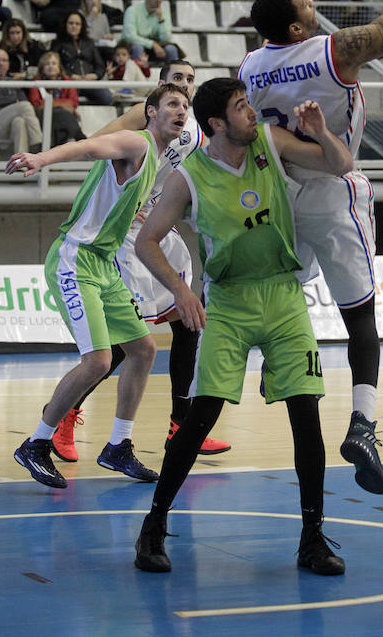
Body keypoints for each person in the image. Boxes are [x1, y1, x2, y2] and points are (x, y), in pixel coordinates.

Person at [133, 78, 352, 575]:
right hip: (229, 303)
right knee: (200, 416)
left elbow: (340, 165)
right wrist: (181, 290)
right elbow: (147, 240)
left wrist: (320, 132)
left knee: (306, 414)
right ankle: (153, 526)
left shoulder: (270, 144)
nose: (252, 112)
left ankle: (312, 537)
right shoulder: (188, 177)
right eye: (241, 107)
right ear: (216, 123)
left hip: (282, 295)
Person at [241, 0, 383, 495]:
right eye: (302, 1)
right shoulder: (333, 51)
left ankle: (273, 360)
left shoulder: (249, 67)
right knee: (361, 317)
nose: (311, 2)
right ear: (293, 29)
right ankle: (363, 425)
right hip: (334, 189)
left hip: (281, 191)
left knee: (287, 282)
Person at [8, 83, 191, 490]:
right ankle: (36, 443)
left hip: (103, 265)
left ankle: (118, 446)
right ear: (151, 112)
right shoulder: (136, 142)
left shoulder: (159, 161)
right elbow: (89, 147)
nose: (181, 111)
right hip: (75, 260)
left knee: (143, 350)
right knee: (98, 361)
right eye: (173, 104)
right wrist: (42, 158)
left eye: (185, 106)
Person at [50, 61, 231, 463]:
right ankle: (67, 414)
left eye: (189, 80)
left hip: (158, 228)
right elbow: (98, 144)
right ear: (159, 87)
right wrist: (125, 199)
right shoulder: (145, 114)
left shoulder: (194, 126)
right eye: (176, 79)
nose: (183, 85)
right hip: (126, 236)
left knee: (189, 323)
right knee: (125, 342)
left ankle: (181, 426)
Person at [51, 10, 112, 105]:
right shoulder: (57, 43)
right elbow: (55, 64)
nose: (74, 26)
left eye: (77, 24)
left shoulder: (89, 43)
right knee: (69, 100)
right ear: (65, 25)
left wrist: (95, 75)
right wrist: (70, 75)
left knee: (107, 97)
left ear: (82, 26)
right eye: (71, 23)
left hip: (89, 82)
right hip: (69, 82)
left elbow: (100, 65)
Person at [27, 51, 86, 146]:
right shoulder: (36, 82)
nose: (51, 66)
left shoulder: (67, 81)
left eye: (54, 63)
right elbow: (36, 104)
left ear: (59, 67)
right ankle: (80, 138)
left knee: (59, 114)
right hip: (42, 116)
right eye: (47, 64)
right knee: (60, 112)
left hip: (62, 118)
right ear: (42, 68)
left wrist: (49, 103)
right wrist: (63, 104)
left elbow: (73, 103)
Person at [0, 47, 42, 152]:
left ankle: (20, 163)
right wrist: (13, 101)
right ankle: (39, 143)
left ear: (8, 64)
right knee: (24, 106)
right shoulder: (15, 82)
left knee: (19, 121)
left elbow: (22, 99)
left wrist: (12, 103)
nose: (1, 63)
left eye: (4, 60)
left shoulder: (13, 82)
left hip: (8, 126)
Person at [121, 0, 179, 65]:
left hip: (154, 50)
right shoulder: (132, 11)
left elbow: (166, 39)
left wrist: (161, 19)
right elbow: (130, 37)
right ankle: (136, 77)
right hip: (134, 47)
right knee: (138, 48)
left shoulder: (164, 13)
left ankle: (174, 76)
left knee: (171, 49)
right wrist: (152, 44)